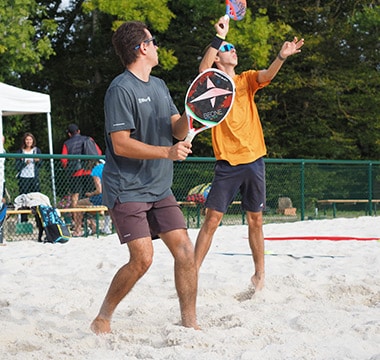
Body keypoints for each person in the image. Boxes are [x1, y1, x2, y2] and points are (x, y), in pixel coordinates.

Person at [90, 21, 198, 334]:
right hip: (127, 187)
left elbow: (176, 126)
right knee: (142, 259)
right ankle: (103, 317)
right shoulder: (120, 89)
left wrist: (191, 117)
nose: (157, 46)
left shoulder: (160, 86)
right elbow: (121, 144)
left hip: (158, 186)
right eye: (153, 41)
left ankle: (189, 323)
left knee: (186, 253)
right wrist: (167, 153)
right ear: (142, 48)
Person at [194, 16, 304, 292]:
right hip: (227, 163)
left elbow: (267, 75)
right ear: (219, 58)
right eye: (227, 48)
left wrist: (281, 56)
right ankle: (191, 271)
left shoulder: (245, 80)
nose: (233, 50)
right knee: (212, 220)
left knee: (256, 220)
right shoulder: (214, 85)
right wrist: (219, 37)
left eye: (233, 47)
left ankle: (259, 276)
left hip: (254, 159)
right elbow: (203, 68)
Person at [61, 123, 102, 236]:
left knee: (75, 198)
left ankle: (78, 228)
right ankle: (93, 225)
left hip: (75, 173)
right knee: (89, 198)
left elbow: (64, 160)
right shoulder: (88, 139)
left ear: (69, 134)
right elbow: (98, 153)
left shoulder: (67, 144)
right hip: (89, 171)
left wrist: (69, 169)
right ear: (78, 131)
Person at [75, 159, 111, 235]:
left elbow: (99, 190)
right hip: (111, 196)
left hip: (101, 197)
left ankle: (78, 230)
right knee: (106, 206)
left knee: (79, 204)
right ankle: (106, 227)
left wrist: (91, 194)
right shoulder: (108, 167)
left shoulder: (95, 170)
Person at [15, 132, 42, 222]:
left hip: (34, 177)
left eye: (30, 139)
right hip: (23, 177)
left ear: (33, 140)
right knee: (24, 199)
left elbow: (41, 164)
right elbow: (17, 166)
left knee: (35, 199)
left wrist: (37, 161)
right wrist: (24, 163)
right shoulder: (20, 152)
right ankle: (24, 220)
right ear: (24, 141)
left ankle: (38, 220)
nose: (28, 141)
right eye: (27, 139)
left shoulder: (36, 150)